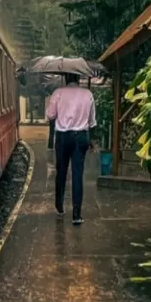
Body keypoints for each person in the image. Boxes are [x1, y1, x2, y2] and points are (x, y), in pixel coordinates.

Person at [46, 73, 96, 224]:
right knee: (77, 174)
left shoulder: (58, 93)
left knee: (61, 171)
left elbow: (50, 115)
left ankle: (60, 207)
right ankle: (76, 215)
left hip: (62, 137)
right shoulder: (88, 94)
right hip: (81, 137)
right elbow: (92, 121)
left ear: (66, 79)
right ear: (78, 78)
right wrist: (92, 140)